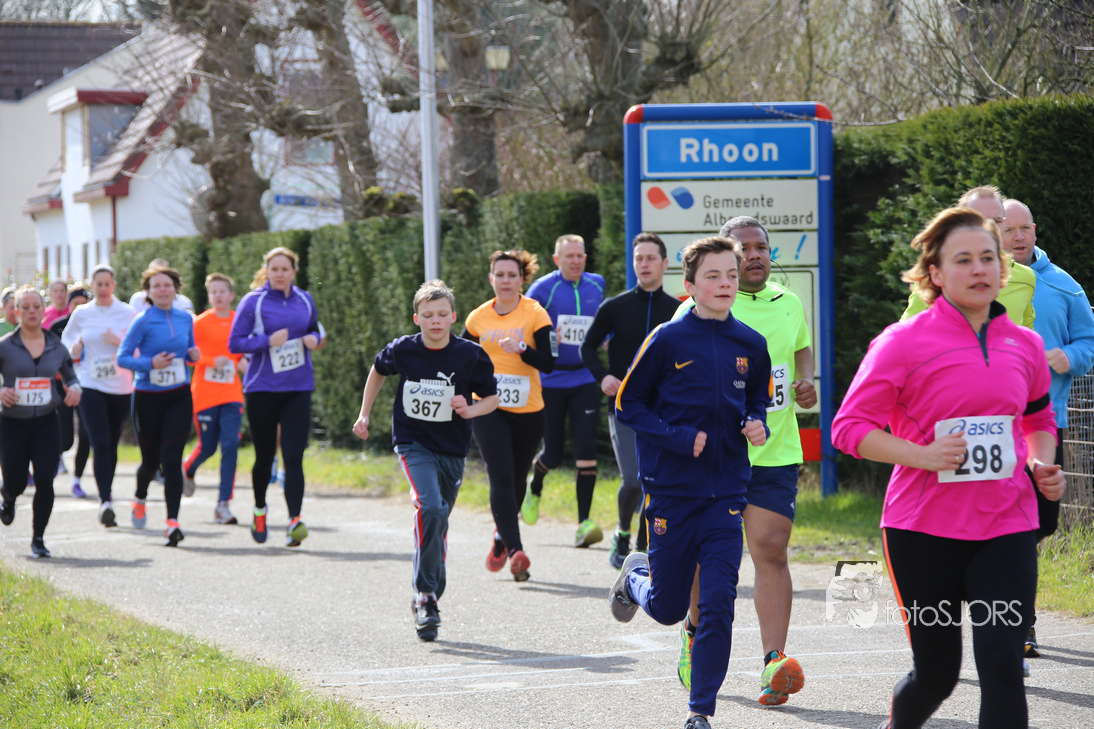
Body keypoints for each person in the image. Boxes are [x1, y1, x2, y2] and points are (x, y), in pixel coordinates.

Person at [831, 207, 1063, 729]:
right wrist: (924, 455)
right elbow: (849, 429)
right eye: (963, 260)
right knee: (938, 674)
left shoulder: (1025, 343)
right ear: (935, 272)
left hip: (1006, 525)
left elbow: (1037, 419)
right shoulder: (901, 342)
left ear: (1003, 267)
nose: (980, 269)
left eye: (988, 258)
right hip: (923, 531)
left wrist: (1040, 462)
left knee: (1003, 665)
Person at [610, 236, 771, 729]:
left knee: (719, 602)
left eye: (731, 275)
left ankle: (700, 710)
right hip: (671, 491)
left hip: (726, 494)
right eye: (713, 276)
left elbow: (757, 400)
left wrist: (757, 422)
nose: (725, 284)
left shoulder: (751, 343)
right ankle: (635, 580)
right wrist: (678, 438)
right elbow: (627, 405)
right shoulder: (667, 339)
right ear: (690, 285)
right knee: (668, 608)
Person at [671, 217, 815, 704]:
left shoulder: (789, 302)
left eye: (762, 248)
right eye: (744, 248)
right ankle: (694, 632)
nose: (754, 255)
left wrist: (806, 381)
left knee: (771, 549)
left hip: (774, 451)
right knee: (705, 555)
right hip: (712, 456)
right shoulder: (693, 310)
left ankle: (774, 662)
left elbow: (801, 350)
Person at [353, 280, 499, 641]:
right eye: (428, 315)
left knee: (438, 517)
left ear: (453, 317)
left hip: (453, 448)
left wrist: (470, 409)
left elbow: (492, 399)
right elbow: (378, 370)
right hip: (413, 443)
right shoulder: (404, 349)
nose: (435, 321)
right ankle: (425, 595)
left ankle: (430, 586)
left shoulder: (470, 355)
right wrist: (364, 414)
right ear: (417, 318)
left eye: (442, 314)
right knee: (430, 507)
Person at [1002, 197, 1094, 658]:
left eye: (1026, 228)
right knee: (1009, 525)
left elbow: (1089, 342)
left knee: (1041, 522)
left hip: (1045, 424)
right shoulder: (980, 281)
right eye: (1009, 229)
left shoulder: (1064, 286)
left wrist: (1068, 357)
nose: (1019, 237)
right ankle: (1019, 623)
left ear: (1035, 231)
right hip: (992, 427)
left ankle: (998, 594)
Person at [579, 232, 679, 568]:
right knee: (634, 480)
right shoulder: (615, 307)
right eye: (639, 258)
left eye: (651, 258)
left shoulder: (677, 311)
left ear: (665, 264)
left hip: (664, 410)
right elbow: (587, 347)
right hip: (624, 407)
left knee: (657, 481)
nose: (644, 264)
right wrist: (603, 376)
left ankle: (643, 545)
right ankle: (622, 532)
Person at [463, 249, 555, 581]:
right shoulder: (477, 318)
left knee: (517, 479)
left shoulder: (536, 314)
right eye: (499, 275)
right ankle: (516, 550)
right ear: (491, 279)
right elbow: (460, 360)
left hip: (528, 410)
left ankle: (502, 536)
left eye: (511, 275)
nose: (505, 281)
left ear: (521, 280)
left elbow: (549, 362)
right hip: (488, 408)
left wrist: (523, 350)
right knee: (500, 474)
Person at [229, 247, 326, 547]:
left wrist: (315, 340)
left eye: (285, 269)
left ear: (294, 271)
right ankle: (260, 509)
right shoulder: (253, 302)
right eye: (275, 269)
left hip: (298, 387)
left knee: (294, 456)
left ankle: (294, 520)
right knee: (264, 456)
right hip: (262, 388)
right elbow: (234, 343)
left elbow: (318, 332)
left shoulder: (304, 299)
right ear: (267, 271)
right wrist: (267, 341)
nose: (280, 274)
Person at [524, 234, 606, 547]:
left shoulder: (597, 284)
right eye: (569, 256)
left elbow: (603, 323)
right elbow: (524, 326)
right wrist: (546, 338)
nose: (575, 261)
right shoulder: (542, 289)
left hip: (584, 378)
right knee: (554, 455)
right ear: (557, 259)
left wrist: (606, 338)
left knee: (586, 449)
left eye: (580, 255)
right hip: (549, 381)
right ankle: (536, 484)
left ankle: (584, 523)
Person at [117, 264, 200, 546]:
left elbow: (189, 352)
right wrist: (150, 363)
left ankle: (172, 523)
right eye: (156, 286)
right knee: (151, 463)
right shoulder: (142, 320)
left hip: (179, 395)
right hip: (148, 398)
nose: (163, 290)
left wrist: (193, 356)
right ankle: (140, 498)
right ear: (148, 293)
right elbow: (123, 358)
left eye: (167, 285)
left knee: (172, 460)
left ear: (176, 289)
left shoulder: (186, 319)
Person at [0, 286, 81, 558]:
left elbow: (70, 376)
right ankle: (8, 495)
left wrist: (75, 388)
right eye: (26, 307)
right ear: (16, 311)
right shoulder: (5, 346)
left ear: (42, 310)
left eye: (36, 306)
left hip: (46, 421)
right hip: (12, 423)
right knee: (16, 482)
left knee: (46, 478)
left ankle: (38, 538)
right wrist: (1, 391)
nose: (32, 312)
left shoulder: (56, 345)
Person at [61, 264, 136, 528]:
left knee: (112, 443)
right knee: (100, 442)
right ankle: (105, 502)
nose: (103, 288)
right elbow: (65, 341)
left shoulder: (127, 312)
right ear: (92, 286)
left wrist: (119, 342)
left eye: (107, 284)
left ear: (113, 285)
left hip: (120, 387)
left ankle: (107, 491)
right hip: (90, 383)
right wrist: (74, 348)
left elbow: (139, 349)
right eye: (98, 284)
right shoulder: (82, 313)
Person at [901, 186, 1035, 327]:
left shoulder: (1026, 278)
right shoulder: (938, 275)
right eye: (979, 220)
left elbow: (1027, 331)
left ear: (1004, 223)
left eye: (996, 221)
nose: (989, 228)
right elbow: (908, 329)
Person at [183, 273, 247, 525]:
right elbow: (188, 357)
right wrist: (210, 361)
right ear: (209, 296)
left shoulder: (239, 322)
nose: (218, 295)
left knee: (230, 445)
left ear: (231, 295)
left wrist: (243, 363)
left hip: (232, 394)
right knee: (208, 447)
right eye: (214, 292)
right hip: (205, 395)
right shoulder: (199, 323)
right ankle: (188, 468)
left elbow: (244, 353)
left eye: (222, 291)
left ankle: (223, 504)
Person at [50, 286, 92, 498]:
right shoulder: (58, 327)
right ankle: (49, 465)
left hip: (88, 386)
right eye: (76, 304)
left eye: (84, 304)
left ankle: (77, 480)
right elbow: (49, 358)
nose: (80, 308)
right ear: (69, 304)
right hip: (62, 386)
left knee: (85, 435)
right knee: (66, 440)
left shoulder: (94, 326)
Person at [129, 259, 195, 312]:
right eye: (156, 285)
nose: (162, 289)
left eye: (167, 285)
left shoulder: (184, 302)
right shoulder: (137, 299)